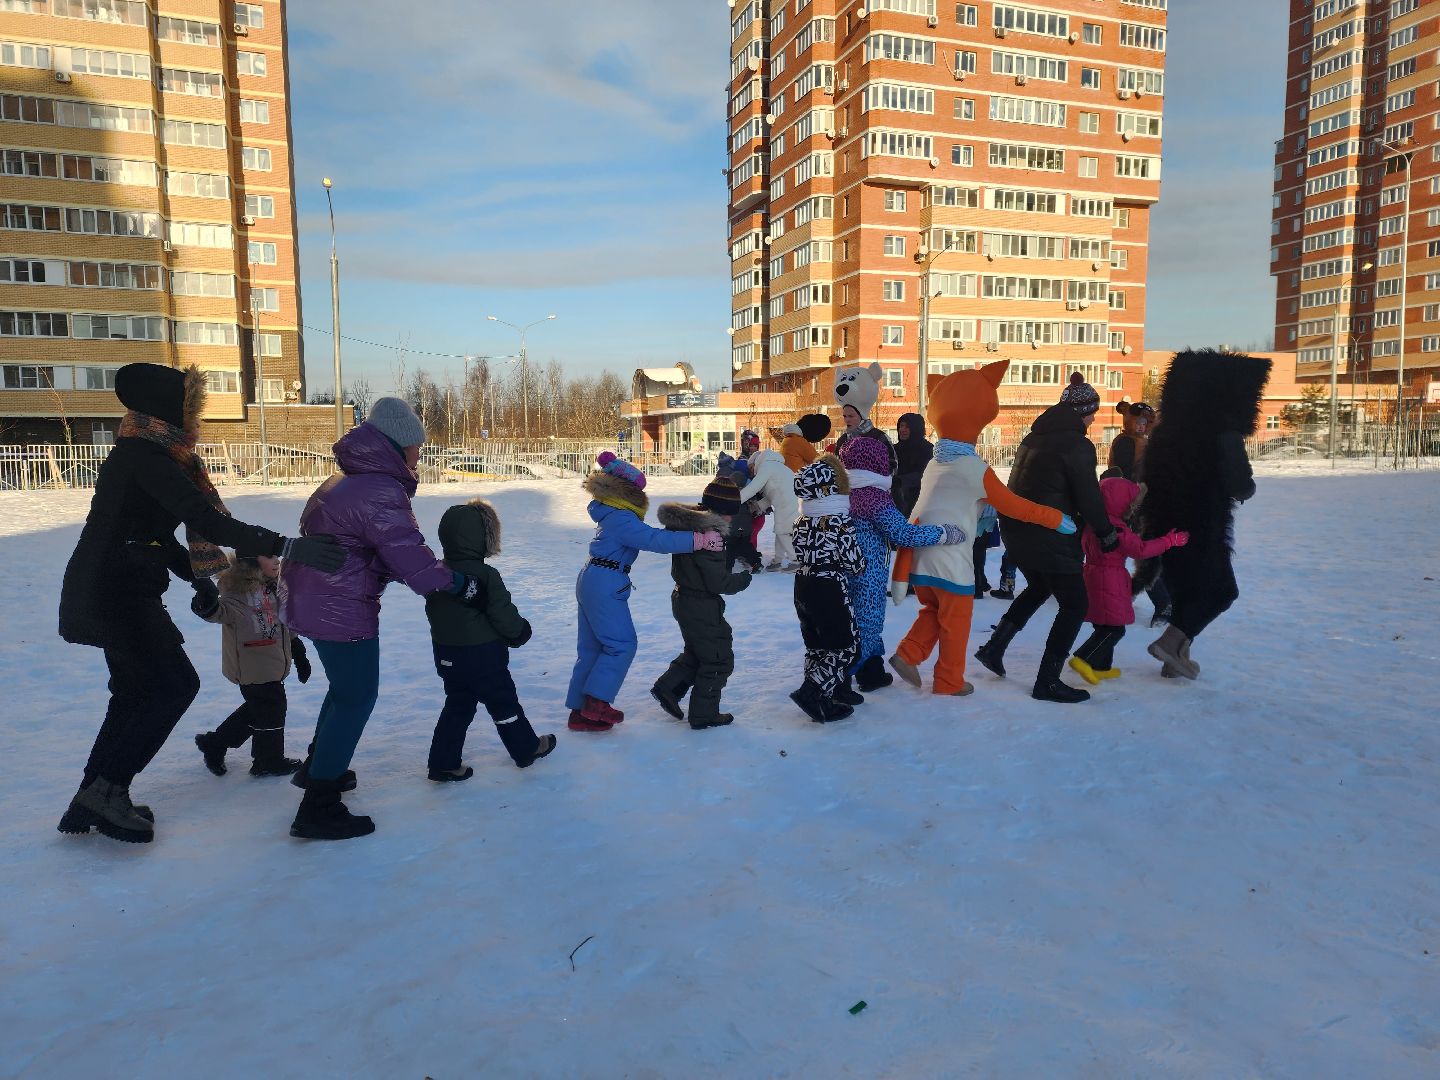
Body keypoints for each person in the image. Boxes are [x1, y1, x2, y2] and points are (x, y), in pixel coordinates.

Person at [56, 363, 343, 845]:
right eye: (190, 408)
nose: (194, 418)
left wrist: (198, 579)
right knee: (173, 685)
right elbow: (203, 520)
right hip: (115, 592)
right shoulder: (144, 457)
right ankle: (106, 790)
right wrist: (284, 546)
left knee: (134, 692)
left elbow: (150, 533)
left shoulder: (148, 453)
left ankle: (95, 792)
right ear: (169, 408)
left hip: (116, 586)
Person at [283, 397, 491, 840]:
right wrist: (458, 584)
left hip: (317, 594)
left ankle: (320, 767)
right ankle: (318, 805)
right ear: (395, 446)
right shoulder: (378, 488)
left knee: (344, 692)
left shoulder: (346, 479)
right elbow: (407, 554)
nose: (419, 454)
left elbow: (367, 549)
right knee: (357, 697)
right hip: (338, 604)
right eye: (415, 447)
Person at [889, 361, 1067, 697]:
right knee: (955, 623)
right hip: (952, 560)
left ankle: (908, 654)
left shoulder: (935, 464)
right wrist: (1055, 518)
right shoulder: (974, 468)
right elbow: (1015, 506)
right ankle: (949, 681)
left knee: (933, 609)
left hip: (922, 558)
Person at [972, 373, 1119, 704]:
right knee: (1075, 603)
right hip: (1049, 533)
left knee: (1039, 587)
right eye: (1091, 412)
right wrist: (1106, 532)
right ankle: (1047, 681)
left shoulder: (1033, 437)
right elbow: (1088, 495)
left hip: (1017, 530)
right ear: (1081, 412)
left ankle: (994, 648)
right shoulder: (1076, 444)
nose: (1094, 419)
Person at [1138, 349, 1271, 679]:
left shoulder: (1165, 432)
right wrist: (1245, 486)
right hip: (1203, 527)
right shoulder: (1222, 433)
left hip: (1164, 528)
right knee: (1222, 591)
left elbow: (1147, 478)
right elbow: (1240, 484)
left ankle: (1176, 660)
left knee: (1186, 593)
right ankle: (1171, 644)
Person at [567, 452, 723, 732]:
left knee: (592, 648)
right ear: (626, 492)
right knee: (621, 644)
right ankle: (596, 703)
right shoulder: (622, 518)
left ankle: (580, 711)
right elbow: (653, 539)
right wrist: (698, 539)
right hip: (604, 581)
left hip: (592, 578)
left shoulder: (611, 513)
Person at [424, 498, 555, 780]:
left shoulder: (436, 575)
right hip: (483, 656)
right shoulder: (486, 575)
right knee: (503, 703)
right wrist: (520, 631)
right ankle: (526, 748)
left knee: (457, 704)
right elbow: (502, 614)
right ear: (485, 537)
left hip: (447, 654)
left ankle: (443, 762)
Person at [838, 435, 964, 693]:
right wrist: (943, 533)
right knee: (867, 625)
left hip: (842, 570)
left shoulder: (842, 493)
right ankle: (838, 681)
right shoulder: (874, 496)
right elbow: (903, 534)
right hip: (867, 572)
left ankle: (871, 673)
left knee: (853, 621)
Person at [192, 553, 310, 778]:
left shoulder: (274, 587)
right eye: (269, 556)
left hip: (273, 661)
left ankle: (215, 743)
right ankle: (268, 761)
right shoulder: (237, 590)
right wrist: (205, 602)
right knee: (271, 708)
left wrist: (299, 653)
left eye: (277, 556)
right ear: (252, 561)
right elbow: (220, 611)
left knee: (260, 709)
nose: (277, 561)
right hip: (251, 664)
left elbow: (285, 622)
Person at [650, 476, 752, 729]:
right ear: (720, 511)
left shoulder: (690, 525)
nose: (731, 519)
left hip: (684, 598)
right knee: (718, 659)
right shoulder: (710, 535)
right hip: (701, 604)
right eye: (729, 513)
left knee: (698, 651)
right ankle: (704, 714)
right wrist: (743, 579)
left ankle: (668, 688)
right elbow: (717, 583)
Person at [1068, 477, 1188, 685]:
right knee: (1115, 629)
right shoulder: (1117, 529)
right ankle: (1084, 658)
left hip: (1092, 576)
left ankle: (1101, 667)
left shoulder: (1094, 523)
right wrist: (1170, 541)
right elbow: (1141, 549)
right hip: (1109, 579)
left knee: (1103, 625)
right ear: (1123, 504)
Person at [789, 456, 867, 723]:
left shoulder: (801, 521)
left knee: (817, 646)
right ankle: (812, 692)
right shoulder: (837, 522)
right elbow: (854, 563)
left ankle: (822, 697)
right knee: (846, 647)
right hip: (829, 585)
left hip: (803, 583)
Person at [737, 446, 800, 571]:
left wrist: (736, 499)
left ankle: (795, 560)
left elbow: (754, 487)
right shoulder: (777, 466)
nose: (751, 471)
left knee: (781, 530)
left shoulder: (767, 467)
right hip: (788, 500)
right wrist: (758, 506)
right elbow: (773, 492)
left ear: (755, 463)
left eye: (751, 467)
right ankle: (777, 561)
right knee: (781, 531)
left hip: (784, 502)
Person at [832, 362, 899, 475]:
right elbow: (836, 469)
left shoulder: (879, 437)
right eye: (845, 416)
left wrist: (874, 479)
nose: (847, 419)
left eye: (851, 416)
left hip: (876, 489)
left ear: (861, 416)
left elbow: (893, 465)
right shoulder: (843, 440)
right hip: (850, 491)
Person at [715, 452, 763, 572]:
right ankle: (756, 562)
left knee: (731, 547)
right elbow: (754, 507)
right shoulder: (747, 495)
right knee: (745, 546)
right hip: (746, 528)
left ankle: (727, 569)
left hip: (733, 528)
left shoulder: (730, 495)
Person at [893, 411, 933, 519]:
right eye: (901, 426)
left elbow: (926, 475)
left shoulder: (927, 449)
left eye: (907, 427)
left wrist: (900, 481)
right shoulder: (894, 449)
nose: (902, 430)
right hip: (896, 502)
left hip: (919, 502)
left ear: (916, 429)